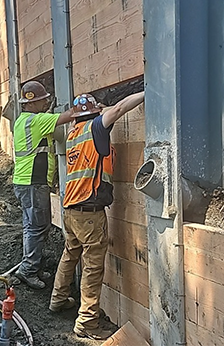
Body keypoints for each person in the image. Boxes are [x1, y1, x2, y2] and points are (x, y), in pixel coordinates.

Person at [49, 91, 145, 341]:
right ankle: (87, 322)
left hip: (70, 208)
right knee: (92, 268)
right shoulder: (96, 128)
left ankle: (58, 299)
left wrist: (98, 109)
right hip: (89, 212)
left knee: (70, 254)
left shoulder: (74, 133)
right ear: (95, 113)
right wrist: (149, 89)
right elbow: (121, 107)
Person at [12, 80, 76, 289]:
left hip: (26, 182)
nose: (45, 103)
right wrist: (88, 106)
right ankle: (28, 269)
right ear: (31, 104)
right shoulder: (37, 121)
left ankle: (31, 266)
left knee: (31, 226)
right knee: (38, 227)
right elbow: (69, 116)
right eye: (42, 101)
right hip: (33, 182)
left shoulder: (22, 121)